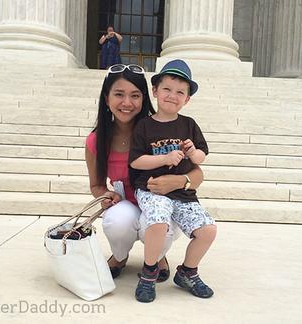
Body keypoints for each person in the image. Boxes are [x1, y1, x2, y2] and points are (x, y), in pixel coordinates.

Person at [85, 63, 205, 283]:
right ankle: (120, 257)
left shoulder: (160, 128)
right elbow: (96, 185)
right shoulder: (96, 140)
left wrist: (178, 181)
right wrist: (106, 195)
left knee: (162, 224)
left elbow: (198, 175)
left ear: (145, 98)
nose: (127, 103)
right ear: (106, 98)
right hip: (127, 203)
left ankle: (158, 257)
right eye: (119, 94)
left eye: (135, 95)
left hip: (163, 201)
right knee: (117, 222)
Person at [129, 59, 217, 303]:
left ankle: (187, 272)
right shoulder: (144, 126)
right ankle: (148, 274)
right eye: (167, 89)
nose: (172, 95)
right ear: (155, 91)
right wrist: (164, 158)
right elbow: (136, 162)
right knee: (158, 223)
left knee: (208, 231)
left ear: (187, 99)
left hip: (183, 194)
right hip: (152, 190)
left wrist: (191, 153)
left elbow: (202, 156)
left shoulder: (189, 125)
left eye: (180, 92)